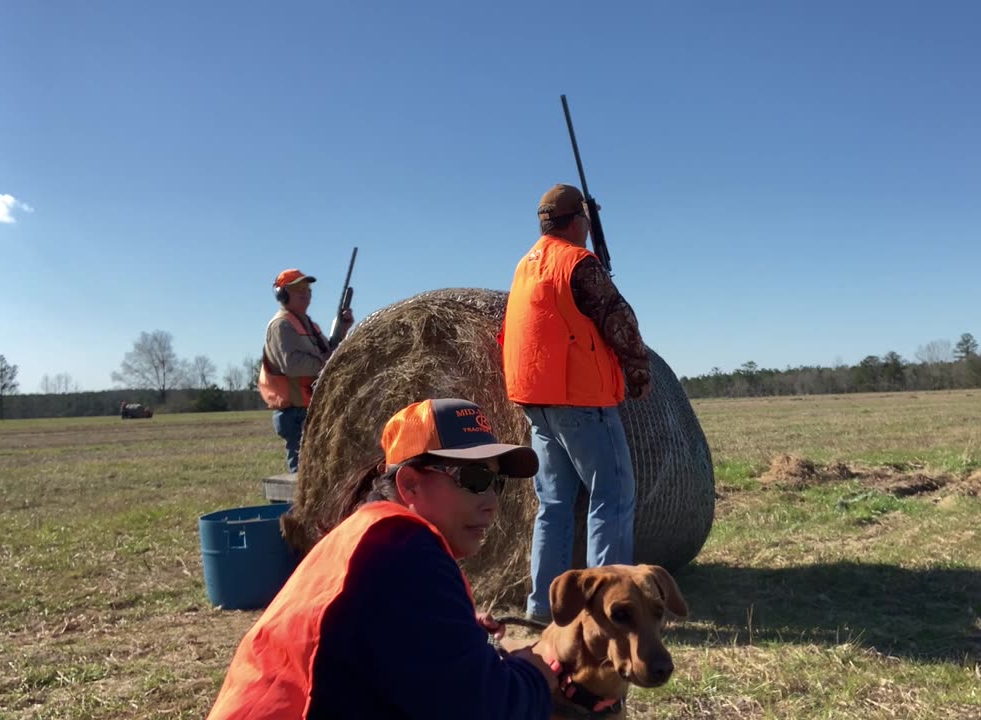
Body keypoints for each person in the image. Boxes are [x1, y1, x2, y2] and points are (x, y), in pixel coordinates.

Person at [207, 398, 558, 719]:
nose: (492, 502)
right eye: (475, 478)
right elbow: (488, 710)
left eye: (497, 483)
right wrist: (537, 672)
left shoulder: (375, 538)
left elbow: (392, 646)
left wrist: (456, 634)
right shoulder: (404, 552)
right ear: (410, 485)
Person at [501, 183, 653, 623]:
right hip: (581, 400)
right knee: (612, 496)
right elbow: (619, 319)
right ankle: (608, 608)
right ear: (578, 221)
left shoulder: (526, 266)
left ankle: (543, 611)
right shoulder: (578, 262)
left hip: (538, 401)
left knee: (553, 507)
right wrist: (638, 370)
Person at [258, 268, 354, 473]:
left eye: (307, 288)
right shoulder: (281, 325)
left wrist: (343, 329)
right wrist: (326, 362)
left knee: (320, 475)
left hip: (310, 407)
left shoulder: (310, 324)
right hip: (295, 412)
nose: (306, 292)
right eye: (298, 288)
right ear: (283, 294)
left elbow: (328, 352)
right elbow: (292, 365)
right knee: (303, 479)